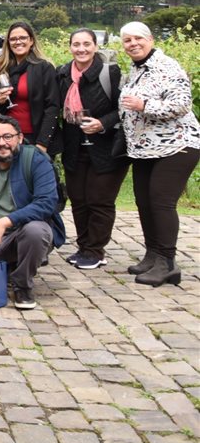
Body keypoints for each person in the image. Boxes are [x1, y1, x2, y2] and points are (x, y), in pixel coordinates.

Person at [117, 21, 200, 287]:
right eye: (127, 40)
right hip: (146, 148)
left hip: (177, 145)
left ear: (150, 39)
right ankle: (152, 254)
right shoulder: (136, 70)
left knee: (161, 201)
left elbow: (181, 104)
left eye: (138, 39)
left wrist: (144, 105)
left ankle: (167, 262)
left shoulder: (167, 67)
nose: (133, 44)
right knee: (143, 200)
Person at [0, 116, 66, 310]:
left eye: (8, 136)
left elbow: (47, 203)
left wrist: (6, 220)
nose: (2, 143)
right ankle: (11, 265)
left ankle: (22, 285)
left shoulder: (36, 161)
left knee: (36, 231)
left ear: (20, 138)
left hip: (26, 228)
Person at [55, 28, 129, 270]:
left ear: (95, 46)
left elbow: (125, 109)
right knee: (78, 199)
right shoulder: (63, 74)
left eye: (86, 44)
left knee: (100, 200)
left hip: (106, 147)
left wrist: (102, 123)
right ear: (70, 47)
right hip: (75, 147)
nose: (81, 49)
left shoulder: (111, 73)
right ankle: (84, 246)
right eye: (76, 44)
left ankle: (96, 250)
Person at [0, 21, 59, 154]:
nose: (18, 42)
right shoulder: (4, 69)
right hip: (8, 138)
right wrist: (0, 101)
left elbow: (52, 107)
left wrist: (42, 143)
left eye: (23, 38)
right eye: (13, 39)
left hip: (34, 137)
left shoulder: (44, 68)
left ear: (31, 41)